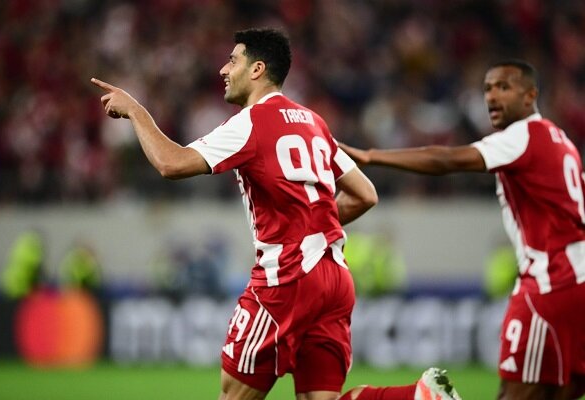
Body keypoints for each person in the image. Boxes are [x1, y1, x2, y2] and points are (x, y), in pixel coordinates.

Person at [92, 28, 461, 400]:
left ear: (257, 69)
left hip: (287, 279)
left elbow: (171, 163)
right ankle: (419, 396)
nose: (223, 70)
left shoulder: (249, 122)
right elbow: (366, 194)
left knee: (233, 395)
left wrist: (135, 110)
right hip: (335, 278)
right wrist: (311, 226)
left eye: (233, 60)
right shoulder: (314, 122)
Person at [340, 59, 585, 400]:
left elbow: (447, 159)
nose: (492, 97)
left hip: (550, 282)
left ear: (530, 95)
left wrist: (369, 156)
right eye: (487, 89)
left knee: (514, 394)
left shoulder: (523, 136)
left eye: (504, 87)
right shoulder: (562, 141)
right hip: (577, 282)